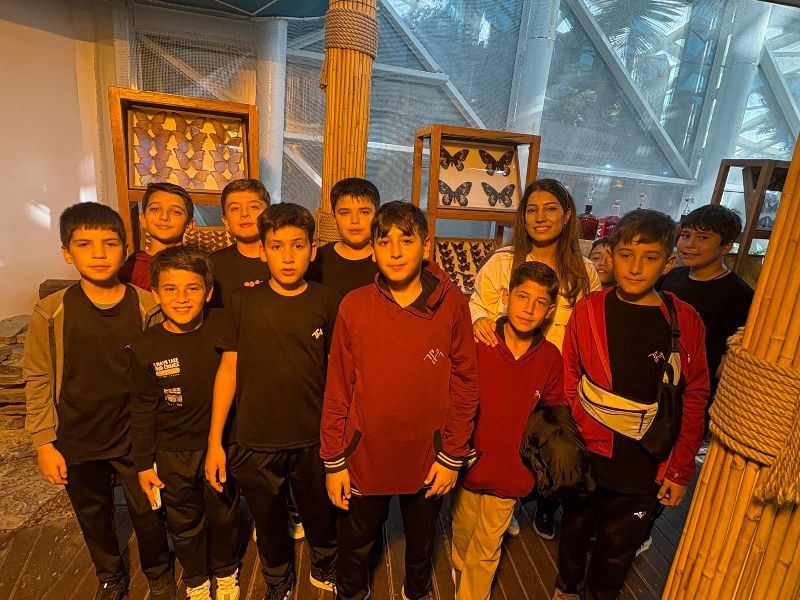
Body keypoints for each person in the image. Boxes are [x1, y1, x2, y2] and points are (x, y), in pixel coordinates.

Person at [321, 201, 479, 600]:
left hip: (429, 455)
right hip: (364, 452)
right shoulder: (354, 304)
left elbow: (465, 382)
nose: (395, 251)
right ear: (373, 250)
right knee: (354, 545)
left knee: (422, 546)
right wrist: (333, 460)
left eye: (406, 241)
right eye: (384, 241)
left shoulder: (451, 303)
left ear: (425, 246)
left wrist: (452, 454)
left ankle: (416, 592)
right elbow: (338, 385)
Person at [553, 209, 709, 600]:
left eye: (649, 257)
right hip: (589, 449)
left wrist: (680, 469)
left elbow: (694, 394)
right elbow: (570, 375)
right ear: (611, 254)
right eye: (626, 255)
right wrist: (575, 435)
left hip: (646, 459)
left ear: (668, 263)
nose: (635, 268)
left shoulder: (684, 320)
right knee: (574, 530)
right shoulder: (589, 308)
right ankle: (566, 588)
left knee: (617, 548)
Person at [23, 203, 174, 600]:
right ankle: (110, 575)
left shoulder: (147, 306)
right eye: (84, 244)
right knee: (93, 514)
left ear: (125, 249)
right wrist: (43, 443)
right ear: (66, 252)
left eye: (109, 243)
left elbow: (161, 371)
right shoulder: (52, 311)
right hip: (76, 435)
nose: (99, 253)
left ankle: (159, 572)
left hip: (135, 436)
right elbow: (38, 376)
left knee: (148, 510)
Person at [206, 203, 339, 600]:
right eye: (277, 246)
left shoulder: (327, 301)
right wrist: (215, 441)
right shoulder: (242, 301)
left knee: (319, 511)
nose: (288, 256)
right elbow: (228, 370)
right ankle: (278, 579)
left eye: (298, 245)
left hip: (312, 436)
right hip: (255, 437)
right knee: (267, 518)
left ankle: (325, 564)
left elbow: (338, 371)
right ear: (262, 251)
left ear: (312, 250)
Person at [470, 178, 601, 539]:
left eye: (550, 209)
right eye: (532, 210)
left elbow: (588, 330)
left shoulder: (584, 272)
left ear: (567, 215)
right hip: (508, 372)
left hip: (556, 376)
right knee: (505, 440)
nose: (540, 218)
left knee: (545, 438)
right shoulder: (503, 262)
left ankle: (537, 502)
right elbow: (477, 304)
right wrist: (479, 320)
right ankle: (507, 500)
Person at [128, 247, 240, 600]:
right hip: (172, 451)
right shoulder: (144, 346)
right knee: (183, 520)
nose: (181, 298)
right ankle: (195, 578)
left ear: (208, 292)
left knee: (223, 513)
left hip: (221, 443)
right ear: (155, 293)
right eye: (170, 289)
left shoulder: (224, 326)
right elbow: (142, 408)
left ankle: (226, 571)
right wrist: (143, 463)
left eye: (192, 288)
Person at [451, 261, 563, 600]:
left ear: (549, 311)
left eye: (540, 302)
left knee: (488, 544)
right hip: (471, 462)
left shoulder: (549, 358)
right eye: (522, 297)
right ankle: (460, 574)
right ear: (506, 296)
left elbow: (554, 412)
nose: (528, 309)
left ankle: (472, 594)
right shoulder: (479, 341)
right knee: (462, 532)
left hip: (514, 470)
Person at [306, 177, 380, 296]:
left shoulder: (389, 260)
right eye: (345, 213)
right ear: (334, 217)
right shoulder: (315, 260)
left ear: (377, 215)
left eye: (364, 212)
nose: (354, 221)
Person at [119, 182, 194, 291]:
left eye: (176, 212)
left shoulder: (198, 266)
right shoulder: (131, 269)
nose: (164, 217)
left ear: (189, 225)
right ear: (143, 219)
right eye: (155, 209)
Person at [209, 178, 271, 308]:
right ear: (226, 221)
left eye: (254, 207)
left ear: (269, 215)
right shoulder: (213, 264)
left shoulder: (287, 259)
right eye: (235, 208)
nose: (244, 214)